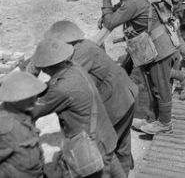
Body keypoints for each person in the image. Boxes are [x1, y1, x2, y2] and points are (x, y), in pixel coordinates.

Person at [100, 0, 185, 137]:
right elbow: (123, 8)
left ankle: (165, 123)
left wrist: (106, 1)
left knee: (161, 86)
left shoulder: (133, 1)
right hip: (156, 44)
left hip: (159, 48)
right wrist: (112, 8)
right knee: (153, 84)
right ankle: (151, 119)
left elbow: (111, 21)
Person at [42, 21, 138, 177]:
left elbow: (61, 83)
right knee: (122, 146)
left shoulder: (80, 54)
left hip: (117, 105)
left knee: (105, 151)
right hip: (127, 97)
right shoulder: (85, 45)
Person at [31, 38, 124, 177]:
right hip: (106, 138)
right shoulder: (74, 67)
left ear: (44, 67)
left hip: (92, 149)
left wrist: (27, 80)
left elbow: (31, 112)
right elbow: (51, 88)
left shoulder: (61, 90)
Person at [0, 71, 47, 178]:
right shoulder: (6, 127)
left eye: (34, 95)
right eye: (28, 96)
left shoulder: (23, 111)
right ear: (14, 98)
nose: (34, 100)